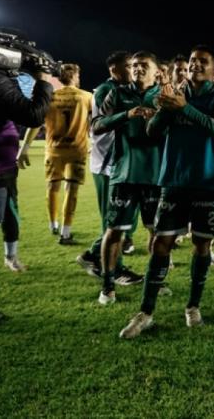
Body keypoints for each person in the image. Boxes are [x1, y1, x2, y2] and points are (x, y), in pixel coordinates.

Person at [119, 45, 214, 338]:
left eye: (203, 61)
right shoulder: (174, 93)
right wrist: (165, 109)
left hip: (209, 182)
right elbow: (153, 131)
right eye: (193, 60)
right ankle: (146, 312)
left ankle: (193, 306)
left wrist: (184, 108)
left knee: (202, 245)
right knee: (161, 243)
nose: (196, 64)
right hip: (174, 179)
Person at [93, 51, 162, 306]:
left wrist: (160, 118)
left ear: (156, 71)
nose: (137, 69)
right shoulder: (117, 94)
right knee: (114, 232)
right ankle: (107, 286)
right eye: (134, 65)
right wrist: (126, 115)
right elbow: (97, 125)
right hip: (124, 174)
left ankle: (155, 281)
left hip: (156, 176)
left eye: (143, 65)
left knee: (157, 232)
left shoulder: (165, 95)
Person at [0, 48, 55, 316]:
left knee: (8, 212)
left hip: (4, 167)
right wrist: (42, 79)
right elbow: (33, 114)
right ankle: (11, 256)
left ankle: (11, 255)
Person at [19, 63, 92, 244]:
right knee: (71, 189)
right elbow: (96, 121)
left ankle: (53, 224)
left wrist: (24, 147)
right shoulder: (86, 96)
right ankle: (66, 233)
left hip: (54, 150)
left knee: (52, 187)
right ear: (74, 76)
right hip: (77, 150)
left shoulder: (50, 97)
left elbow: (36, 123)